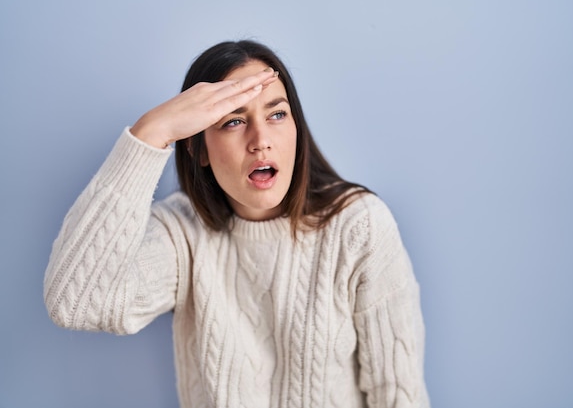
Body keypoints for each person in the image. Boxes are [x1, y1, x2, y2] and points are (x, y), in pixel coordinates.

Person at [43, 40, 430, 408]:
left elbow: (398, 395)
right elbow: (75, 304)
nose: (261, 140)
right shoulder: (182, 232)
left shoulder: (358, 226)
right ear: (198, 149)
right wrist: (152, 132)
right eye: (233, 122)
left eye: (277, 114)